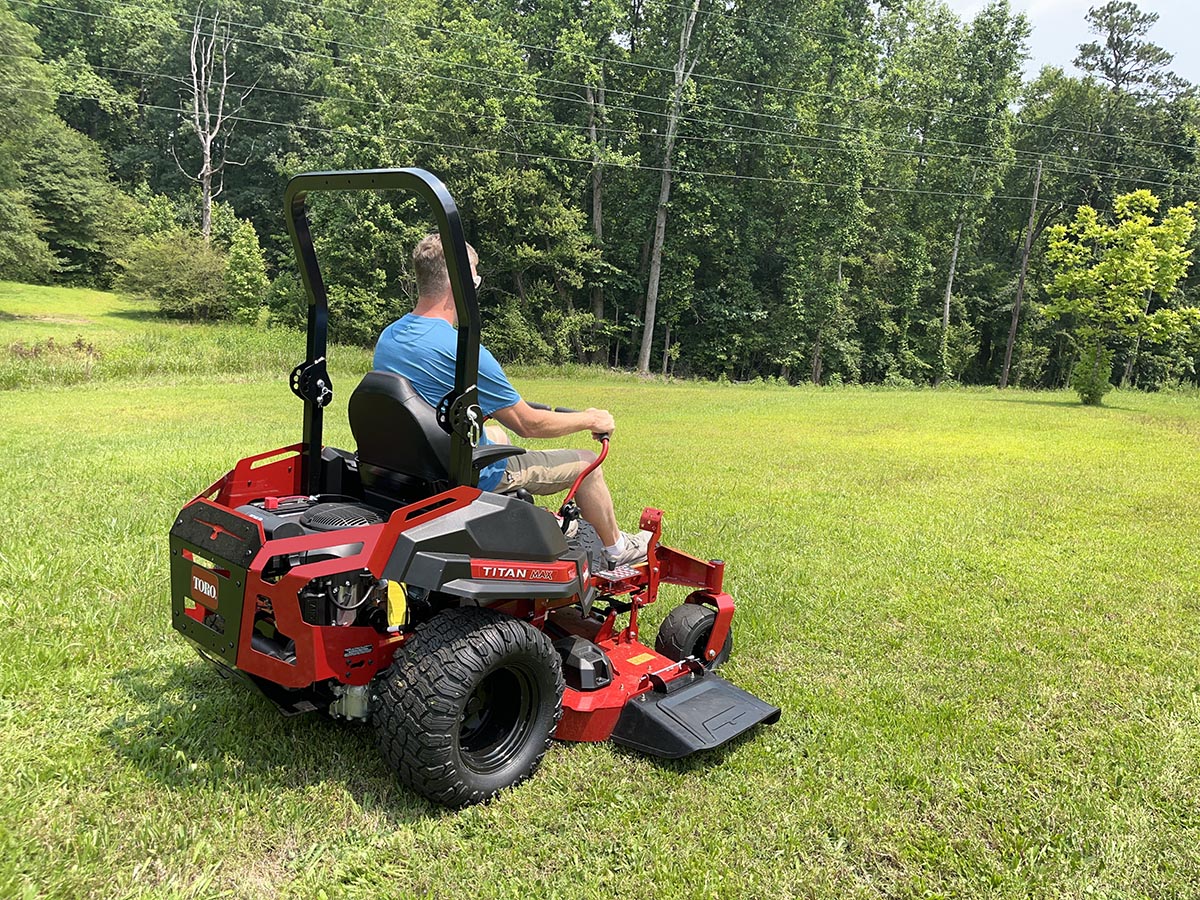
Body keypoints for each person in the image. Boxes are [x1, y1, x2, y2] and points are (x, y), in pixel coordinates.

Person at [372, 233, 649, 567]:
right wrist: (591, 418)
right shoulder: (464, 350)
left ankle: (525, 520)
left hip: (413, 468)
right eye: (474, 275)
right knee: (587, 462)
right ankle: (617, 548)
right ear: (459, 283)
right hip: (459, 475)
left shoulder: (390, 337)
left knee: (500, 437)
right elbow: (530, 424)